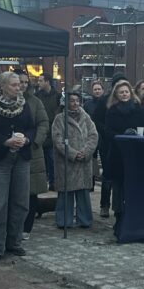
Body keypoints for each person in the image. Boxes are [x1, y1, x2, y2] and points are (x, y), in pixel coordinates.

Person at [0, 71, 36, 263]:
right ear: (3, 86)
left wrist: (27, 139)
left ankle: (14, 242)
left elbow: (32, 126)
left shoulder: (24, 105)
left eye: (19, 84)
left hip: (21, 157)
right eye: (14, 85)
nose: (18, 87)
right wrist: (5, 141)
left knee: (21, 202)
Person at [103, 80, 144, 237]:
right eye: (121, 92)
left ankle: (133, 218)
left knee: (132, 189)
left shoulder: (138, 110)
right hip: (117, 155)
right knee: (118, 189)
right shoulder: (112, 111)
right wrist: (120, 136)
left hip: (135, 155)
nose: (124, 94)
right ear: (116, 94)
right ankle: (119, 218)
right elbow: (107, 131)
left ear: (131, 93)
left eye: (126, 92)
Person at [52, 92, 98, 228]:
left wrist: (86, 152)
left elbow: (93, 135)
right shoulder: (59, 119)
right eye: (72, 101)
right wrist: (72, 153)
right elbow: (58, 140)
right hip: (67, 162)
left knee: (83, 192)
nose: (75, 103)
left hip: (84, 161)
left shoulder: (86, 117)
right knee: (66, 191)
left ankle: (85, 220)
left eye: (77, 101)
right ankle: (64, 220)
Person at [16, 70, 49, 241]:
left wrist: (35, 141)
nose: (22, 85)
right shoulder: (3, 101)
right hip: (12, 149)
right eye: (19, 81)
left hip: (32, 151)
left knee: (31, 192)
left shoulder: (35, 102)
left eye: (25, 82)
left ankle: (27, 227)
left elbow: (43, 122)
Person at [92, 73, 128, 218]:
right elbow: (96, 119)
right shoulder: (105, 101)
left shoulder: (130, 102)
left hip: (124, 145)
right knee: (107, 176)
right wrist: (107, 131)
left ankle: (120, 205)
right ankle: (104, 205)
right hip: (107, 143)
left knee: (122, 176)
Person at [35, 73, 59, 189]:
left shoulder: (58, 96)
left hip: (53, 133)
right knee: (41, 161)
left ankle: (53, 182)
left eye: (40, 81)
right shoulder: (37, 96)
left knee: (52, 159)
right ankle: (42, 183)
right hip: (41, 132)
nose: (38, 83)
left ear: (47, 82)